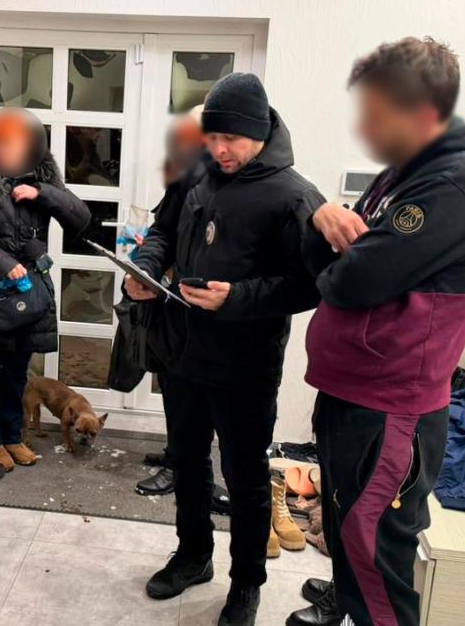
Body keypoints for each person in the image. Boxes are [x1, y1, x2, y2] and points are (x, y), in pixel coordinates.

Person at [288, 37, 465, 626]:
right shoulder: (402, 173)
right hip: (354, 391)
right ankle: (344, 600)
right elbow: (336, 258)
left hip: (389, 407)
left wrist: (339, 254)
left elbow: (354, 279)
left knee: (378, 567)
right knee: (349, 533)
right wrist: (324, 222)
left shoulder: (460, 181)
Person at [127, 73, 324, 626]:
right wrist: (144, 270)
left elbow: (308, 286)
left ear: (259, 132)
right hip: (183, 352)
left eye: (230, 138)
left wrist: (235, 298)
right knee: (187, 463)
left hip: (246, 365)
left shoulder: (295, 196)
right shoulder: (195, 174)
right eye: (211, 137)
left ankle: (246, 584)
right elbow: (161, 232)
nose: (219, 149)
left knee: (245, 477)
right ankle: (193, 556)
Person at [0, 108, 90, 472]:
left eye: (14, 143)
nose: (6, 150)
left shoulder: (42, 176)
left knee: (17, 372)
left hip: (29, 293)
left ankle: (12, 436)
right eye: (0, 143)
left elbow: (80, 219)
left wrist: (43, 193)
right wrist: (1, 262)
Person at [132, 106, 207, 497]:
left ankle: (183, 467)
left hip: (215, 317)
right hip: (176, 305)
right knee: (173, 383)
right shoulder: (186, 173)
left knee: (196, 396)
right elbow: (162, 232)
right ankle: (177, 452)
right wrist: (143, 269)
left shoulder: (252, 185)